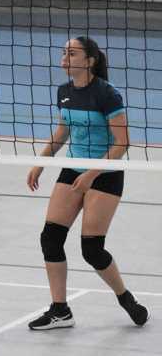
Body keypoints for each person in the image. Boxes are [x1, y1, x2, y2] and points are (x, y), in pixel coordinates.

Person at [26, 37, 148, 330]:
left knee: (92, 249)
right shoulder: (64, 91)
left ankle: (125, 298)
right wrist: (40, 163)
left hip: (105, 172)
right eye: (63, 53)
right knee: (50, 238)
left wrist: (92, 174)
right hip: (73, 169)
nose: (64, 58)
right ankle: (60, 310)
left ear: (90, 60)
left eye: (72, 53)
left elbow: (122, 142)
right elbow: (62, 132)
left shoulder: (107, 94)